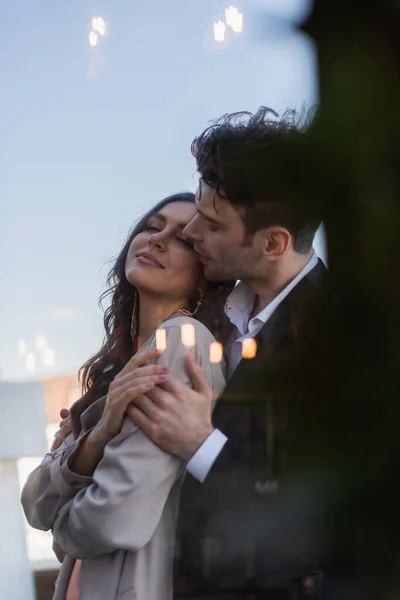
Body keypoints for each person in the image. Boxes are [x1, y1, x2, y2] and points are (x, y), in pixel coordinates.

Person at [52, 107, 327, 598]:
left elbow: (328, 528)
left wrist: (204, 446)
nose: (193, 231)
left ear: (273, 243)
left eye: (211, 223)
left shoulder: (341, 340)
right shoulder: (213, 324)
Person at [21, 192, 231, 600]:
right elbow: (34, 503)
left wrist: (61, 524)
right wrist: (96, 438)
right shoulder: (119, 370)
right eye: (153, 226)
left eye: (183, 239)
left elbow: (110, 520)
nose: (157, 239)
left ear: (205, 272)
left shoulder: (180, 344)